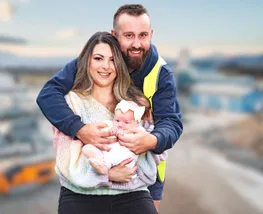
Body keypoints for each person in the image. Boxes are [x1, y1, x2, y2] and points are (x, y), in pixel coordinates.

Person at [37, 4, 183, 211]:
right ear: (114, 35)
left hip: (140, 180)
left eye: (143, 35)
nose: (136, 44)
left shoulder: (159, 76)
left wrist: (150, 140)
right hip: (84, 191)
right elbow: (48, 94)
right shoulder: (92, 63)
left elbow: (171, 122)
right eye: (129, 35)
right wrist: (80, 130)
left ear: (151, 34)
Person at [52, 31, 159, 214]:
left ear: (120, 64)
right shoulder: (69, 102)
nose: (106, 66)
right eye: (99, 58)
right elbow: (65, 161)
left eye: (112, 59)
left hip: (132, 193)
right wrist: (107, 176)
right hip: (80, 195)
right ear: (87, 62)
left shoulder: (137, 104)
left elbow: (149, 163)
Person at [81, 99, 148, 175]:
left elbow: (142, 140)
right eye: (117, 120)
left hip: (123, 157)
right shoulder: (110, 125)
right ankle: (99, 162)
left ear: (136, 123)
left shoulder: (138, 130)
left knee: (118, 155)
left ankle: (105, 166)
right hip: (104, 153)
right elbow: (100, 132)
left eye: (126, 122)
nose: (120, 124)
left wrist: (122, 134)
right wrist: (110, 130)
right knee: (87, 148)